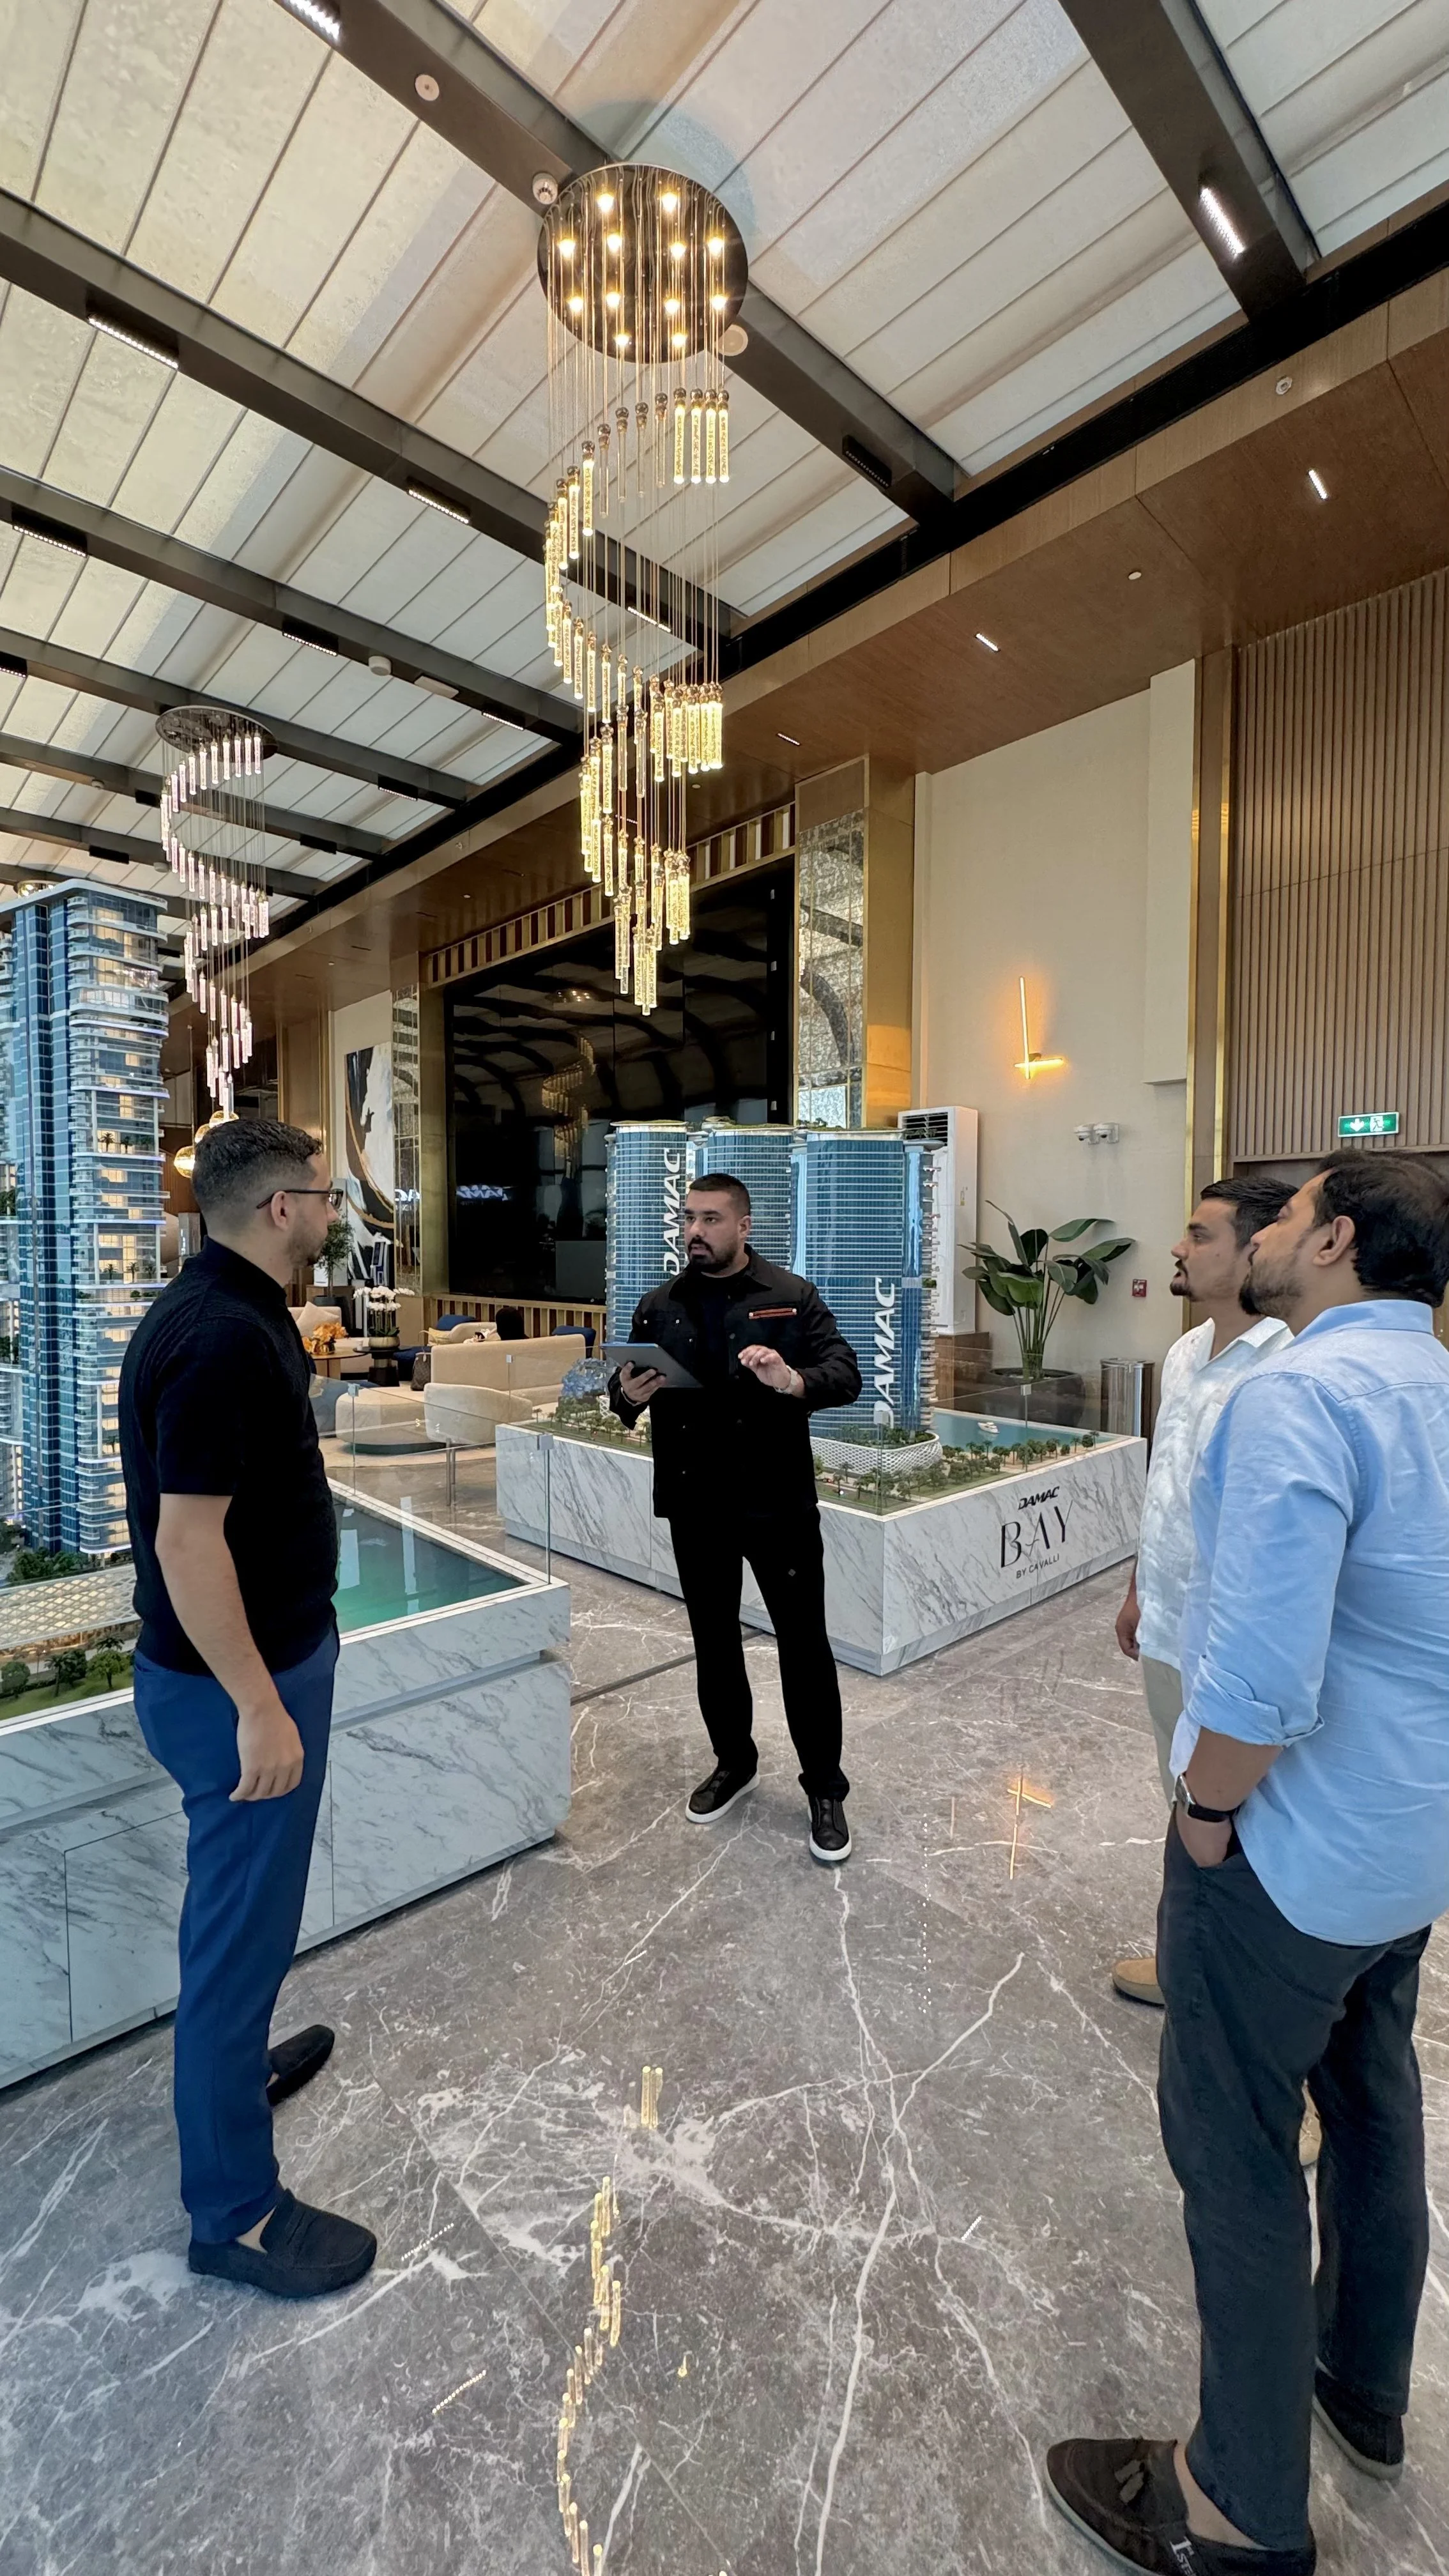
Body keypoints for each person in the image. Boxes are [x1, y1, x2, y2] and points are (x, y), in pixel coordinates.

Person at [1047, 1150, 1449, 2576]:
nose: (1265, 1230)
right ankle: (1365, 2390)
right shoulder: (1435, 1388)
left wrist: (1207, 1817)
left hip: (1291, 1854)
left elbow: (1269, 1677)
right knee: (1378, 2104)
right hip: (1410, 1851)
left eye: (1283, 1214)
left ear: (1335, 1240)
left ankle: (1239, 2510)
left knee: (1236, 2159)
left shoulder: (1306, 1388)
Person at [119, 1119, 376, 2301]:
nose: (335, 1212)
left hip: (245, 1670)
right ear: (281, 1207)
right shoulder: (221, 1337)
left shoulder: (224, 1304)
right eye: (325, 1195)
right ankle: (235, 2212)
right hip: (239, 1691)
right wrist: (259, 1709)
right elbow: (187, 1540)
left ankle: (233, 2075)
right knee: (237, 1944)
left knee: (239, 1923)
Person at [609, 1172, 862, 1863]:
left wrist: (792, 1381)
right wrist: (626, 1393)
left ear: (743, 1227)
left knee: (803, 1647)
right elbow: (623, 1390)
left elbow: (846, 1371)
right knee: (714, 1644)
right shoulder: (659, 1305)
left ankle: (825, 1789)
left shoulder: (790, 1296)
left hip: (776, 1503)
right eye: (689, 1218)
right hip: (696, 1506)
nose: (695, 1230)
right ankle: (734, 1762)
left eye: (712, 1219)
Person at [1110, 1176, 1292, 2010]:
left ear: (1257, 1250)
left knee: (1252, 1835)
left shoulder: (1290, 1364)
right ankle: (1185, 1963)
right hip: (1168, 1630)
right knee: (1181, 1808)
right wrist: (1138, 1587)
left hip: (1238, 1650)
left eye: (1198, 1235)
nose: (1177, 1248)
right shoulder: (1188, 1352)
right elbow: (1168, 1488)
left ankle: (1266, 2038)